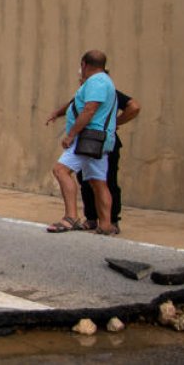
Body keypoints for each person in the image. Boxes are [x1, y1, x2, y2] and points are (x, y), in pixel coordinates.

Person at [47, 80, 139, 234]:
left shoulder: (103, 90)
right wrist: (57, 113)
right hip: (96, 140)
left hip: (91, 139)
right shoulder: (89, 90)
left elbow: (133, 106)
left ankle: (76, 218)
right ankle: (101, 222)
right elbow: (74, 104)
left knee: (63, 171)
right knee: (94, 180)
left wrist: (116, 122)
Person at [47, 50, 117, 235]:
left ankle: (71, 217)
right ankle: (105, 224)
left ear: (84, 64)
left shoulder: (97, 82)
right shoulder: (105, 81)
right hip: (99, 139)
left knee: (61, 170)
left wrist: (71, 135)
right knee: (98, 181)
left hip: (87, 138)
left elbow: (89, 109)